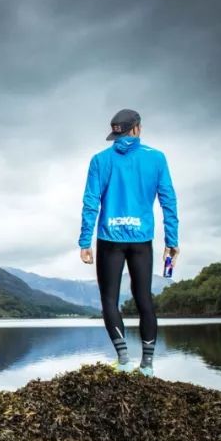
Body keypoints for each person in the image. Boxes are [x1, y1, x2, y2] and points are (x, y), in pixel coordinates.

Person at [78, 109, 179, 376]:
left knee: (109, 300)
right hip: (142, 240)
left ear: (118, 132)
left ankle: (123, 361)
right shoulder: (156, 158)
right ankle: (147, 366)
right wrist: (172, 240)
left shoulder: (100, 160)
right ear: (137, 128)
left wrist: (84, 241)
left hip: (109, 239)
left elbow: (90, 203)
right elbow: (168, 200)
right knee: (144, 298)